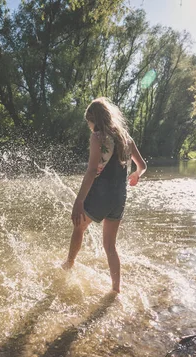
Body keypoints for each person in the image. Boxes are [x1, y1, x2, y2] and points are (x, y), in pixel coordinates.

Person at [62, 97, 147, 293]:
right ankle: (116, 289)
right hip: (119, 197)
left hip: (102, 193)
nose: (89, 127)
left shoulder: (98, 137)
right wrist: (136, 175)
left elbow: (92, 171)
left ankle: (69, 264)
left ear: (94, 120)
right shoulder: (126, 138)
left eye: (89, 122)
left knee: (79, 226)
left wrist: (79, 200)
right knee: (110, 246)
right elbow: (142, 166)